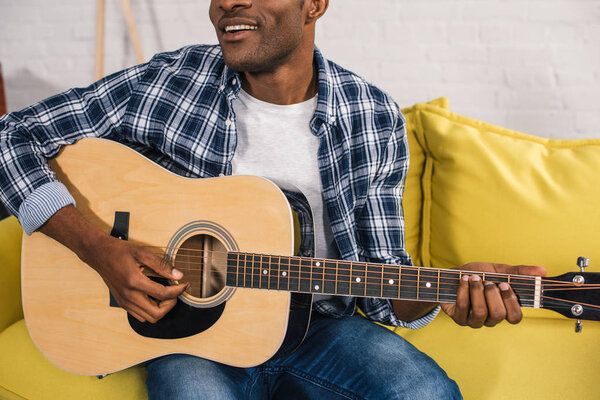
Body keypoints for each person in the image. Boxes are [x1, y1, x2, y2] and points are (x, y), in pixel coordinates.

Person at [0, 0, 545, 398]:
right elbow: (10, 138)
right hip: (189, 339)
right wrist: (98, 248)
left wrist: (451, 290)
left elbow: (383, 288)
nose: (227, 4)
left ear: (314, 5)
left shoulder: (372, 117)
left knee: (428, 395)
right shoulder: (168, 83)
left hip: (320, 326)